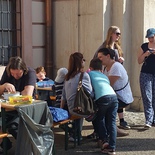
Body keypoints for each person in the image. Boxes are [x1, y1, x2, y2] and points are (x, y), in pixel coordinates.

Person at [0, 56, 36, 150]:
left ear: (23, 70)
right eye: (13, 74)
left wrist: (15, 94)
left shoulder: (30, 72)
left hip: (26, 109)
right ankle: (5, 145)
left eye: (18, 74)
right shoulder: (8, 72)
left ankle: (27, 148)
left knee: (13, 126)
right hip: (10, 108)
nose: (15, 76)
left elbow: (28, 94)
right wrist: (4, 85)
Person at [98, 48, 134, 130]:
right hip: (116, 96)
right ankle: (108, 128)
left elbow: (108, 85)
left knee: (100, 106)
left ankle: (104, 131)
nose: (99, 59)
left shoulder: (116, 67)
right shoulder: (105, 67)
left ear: (108, 56)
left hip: (122, 98)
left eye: (100, 57)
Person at [88, 58, 118, 155]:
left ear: (90, 68)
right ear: (101, 68)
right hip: (113, 97)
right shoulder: (104, 76)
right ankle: (112, 147)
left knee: (99, 119)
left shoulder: (90, 74)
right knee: (112, 123)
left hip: (102, 98)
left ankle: (104, 140)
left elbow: (90, 89)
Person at [60, 52, 93, 141]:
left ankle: (75, 133)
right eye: (83, 60)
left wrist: (61, 109)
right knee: (98, 111)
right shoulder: (84, 75)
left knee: (78, 105)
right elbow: (90, 92)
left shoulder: (67, 77)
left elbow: (63, 96)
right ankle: (97, 134)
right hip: (79, 108)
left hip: (70, 108)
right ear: (80, 62)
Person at [137, 28, 155, 129]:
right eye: (149, 37)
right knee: (147, 96)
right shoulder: (144, 46)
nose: (150, 39)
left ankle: (154, 119)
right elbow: (139, 60)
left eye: (152, 37)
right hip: (146, 73)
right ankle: (148, 119)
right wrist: (145, 54)